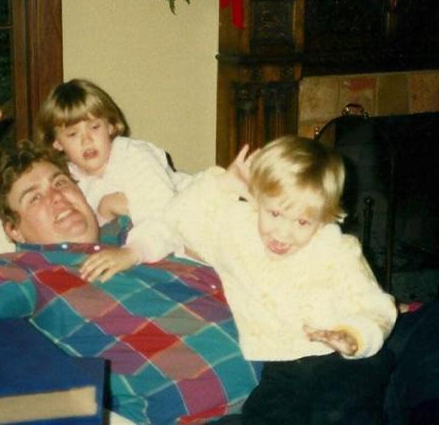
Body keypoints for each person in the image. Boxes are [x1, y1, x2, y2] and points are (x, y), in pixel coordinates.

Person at [0, 99, 260, 424]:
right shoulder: (25, 273)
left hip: (287, 361)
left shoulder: (145, 226)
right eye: (34, 197)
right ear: (14, 230)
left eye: (61, 183)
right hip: (225, 413)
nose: (56, 197)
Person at [166, 136, 395, 423]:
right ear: (258, 199)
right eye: (275, 213)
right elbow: (177, 218)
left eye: (302, 222)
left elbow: (377, 306)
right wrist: (224, 182)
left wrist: (354, 336)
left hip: (344, 362)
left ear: (324, 217)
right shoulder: (236, 231)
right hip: (282, 369)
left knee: (339, 414)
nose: (283, 233)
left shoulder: (336, 249)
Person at [34, 79, 190, 281]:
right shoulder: (69, 182)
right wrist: (105, 209)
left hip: (202, 208)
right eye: (72, 134)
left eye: (94, 127)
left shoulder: (133, 155)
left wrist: (132, 253)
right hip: (166, 245)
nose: (86, 140)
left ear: (110, 126)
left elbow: (163, 215)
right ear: (56, 142)